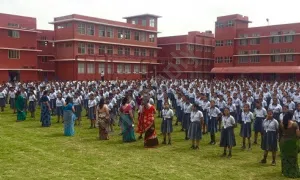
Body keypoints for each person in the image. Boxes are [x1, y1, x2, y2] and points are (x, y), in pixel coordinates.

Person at [280, 112, 300, 178]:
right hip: (292, 143)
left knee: (284, 157)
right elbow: (298, 135)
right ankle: (293, 170)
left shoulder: (282, 123)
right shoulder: (294, 124)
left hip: (283, 142)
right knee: (293, 158)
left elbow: (280, 133)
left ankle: (284, 170)